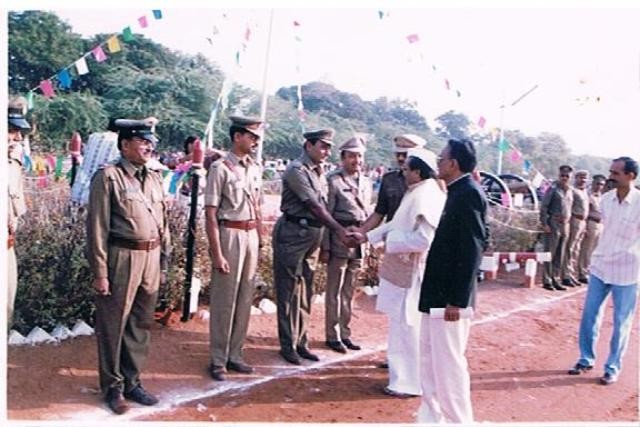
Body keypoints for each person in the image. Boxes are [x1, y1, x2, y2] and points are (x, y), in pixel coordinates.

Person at [86, 117, 170, 414]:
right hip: (122, 257)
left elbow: (163, 223)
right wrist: (100, 273)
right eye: (142, 141)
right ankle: (113, 387)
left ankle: (133, 381)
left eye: (150, 142)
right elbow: (97, 229)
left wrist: (163, 262)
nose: (148, 147)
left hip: (151, 258)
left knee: (140, 324)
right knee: (114, 324)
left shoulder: (154, 177)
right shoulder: (108, 177)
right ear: (124, 145)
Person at [351, 148, 446, 398]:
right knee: (401, 326)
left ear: (418, 172)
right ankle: (403, 378)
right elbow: (397, 222)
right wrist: (368, 236)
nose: (402, 174)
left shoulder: (426, 194)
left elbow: (423, 239)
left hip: (413, 273)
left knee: (408, 328)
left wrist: (390, 241)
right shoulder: (417, 191)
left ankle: (407, 383)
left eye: (406, 170)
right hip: (404, 270)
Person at [417, 139, 488, 424]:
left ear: (453, 164)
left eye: (441, 158)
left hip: (450, 300)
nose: (438, 163)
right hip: (437, 294)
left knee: (448, 366)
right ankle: (432, 419)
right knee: (429, 361)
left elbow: (472, 249)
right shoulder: (457, 192)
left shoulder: (468, 194)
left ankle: (459, 421)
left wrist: (457, 301)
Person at [272, 128, 355, 365]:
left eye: (329, 147)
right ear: (308, 145)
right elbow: (315, 206)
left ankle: (301, 342)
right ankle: (288, 345)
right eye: (323, 146)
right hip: (293, 233)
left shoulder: (319, 172)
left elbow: (324, 208)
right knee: (288, 291)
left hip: (312, 234)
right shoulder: (296, 170)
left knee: (305, 290)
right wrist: (339, 230)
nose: (326, 151)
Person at [568, 157, 640, 385]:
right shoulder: (606, 200)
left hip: (627, 271)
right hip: (601, 266)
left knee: (621, 322)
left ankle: (612, 367)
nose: (611, 177)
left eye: (616, 173)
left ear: (630, 176)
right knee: (589, 315)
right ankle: (585, 359)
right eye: (611, 172)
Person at [358, 134, 427, 369]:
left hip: (418, 253)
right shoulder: (389, 180)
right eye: (397, 154)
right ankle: (396, 357)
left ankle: (414, 360)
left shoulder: (431, 185)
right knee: (395, 307)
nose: (400, 159)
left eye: (405, 155)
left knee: (414, 310)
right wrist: (362, 233)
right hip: (394, 249)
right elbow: (379, 214)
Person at [204, 116, 264, 381]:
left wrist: (260, 239)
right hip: (229, 233)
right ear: (237, 136)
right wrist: (217, 253)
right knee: (224, 299)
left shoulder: (255, 168)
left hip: (250, 235)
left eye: (257, 137)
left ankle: (235, 354)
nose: (255, 141)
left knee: (244, 298)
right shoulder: (220, 168)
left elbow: (258, 206)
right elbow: (210, 214)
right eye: (251, 136)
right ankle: (218, 359)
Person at [320, 135, 372, 353]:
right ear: (343, 158)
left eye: (359, 156)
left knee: (349, 291)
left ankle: (345, 332)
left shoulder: (366, 182)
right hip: (339, 238)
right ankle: (332, 335)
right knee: (334, 289)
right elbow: (326, 216)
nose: (356, 160)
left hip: (359, 239)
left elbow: (367, 213)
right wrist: (325, 246)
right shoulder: (333, 181)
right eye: (352, 156)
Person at [7, 98, 30, 328]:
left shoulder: (12, 162)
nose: (18, 138)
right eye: (12, 131)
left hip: (7, 246)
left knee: (6, 311)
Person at [540, 165, 575, 291]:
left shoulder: (570, 190)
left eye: (567, 176)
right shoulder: (553, 189)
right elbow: (544, 207)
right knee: (550, 253)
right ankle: (547, 280)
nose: (564, 178)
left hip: (565, 225)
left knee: (560, 254)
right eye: (562, 175)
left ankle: (556, 278)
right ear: (559, 175)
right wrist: (544, 223)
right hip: (553, 223)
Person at [562, 170, 590, 287]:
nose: (583, 180)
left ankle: (571, 273)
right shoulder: (572, 191)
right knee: (570, 248)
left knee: (576, 249)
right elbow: (568, 206)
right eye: (580, 177)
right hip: (574, 220)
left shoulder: (585, 192)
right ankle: (565, 275)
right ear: (576, 178)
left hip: (583, 222)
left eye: (585, 178)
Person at [577, 174, 606, 284]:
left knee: (595, 250)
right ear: (593, 183)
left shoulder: (602, 197)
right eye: (597, 184)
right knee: (586, 250)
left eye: (601, 184)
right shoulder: (588, 195)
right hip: (591, 223)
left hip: (600, 224)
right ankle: (582, 272)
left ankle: (589, 271)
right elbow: (586, 211)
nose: (599, 186)